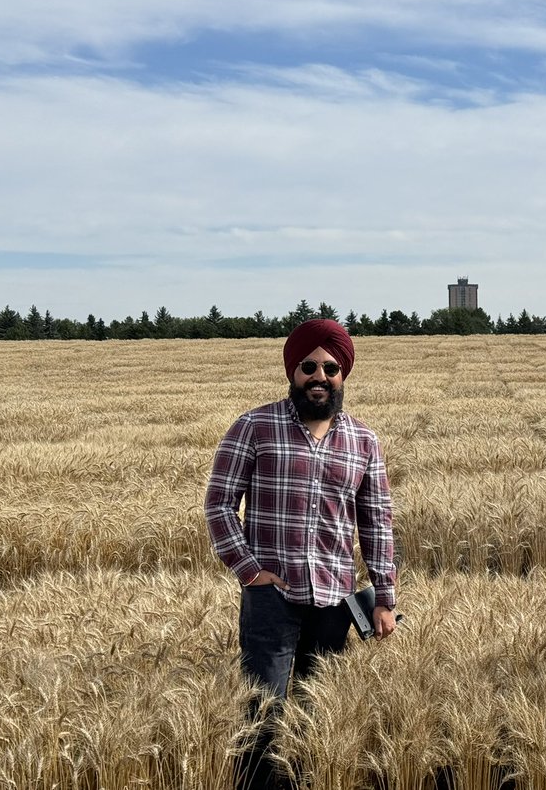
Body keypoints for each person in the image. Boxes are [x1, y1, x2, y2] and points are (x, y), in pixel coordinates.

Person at [205, 318, 397, 789]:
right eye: (308, 367)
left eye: (330, 368)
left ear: (343, 373)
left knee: (318, 712)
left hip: (334, 600)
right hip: (272, 598)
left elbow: (376, 521)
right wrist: (250, 571)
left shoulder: (363, 441)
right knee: (263, 714)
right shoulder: (254, 426)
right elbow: (219, 503)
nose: (319, 376)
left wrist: (385, 597)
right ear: (293, 371)